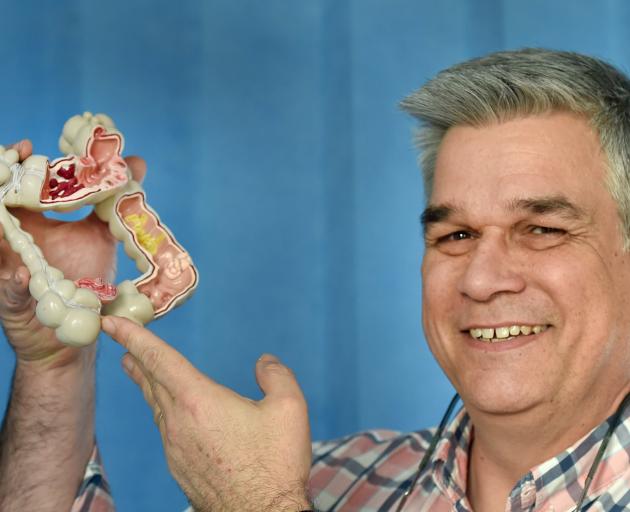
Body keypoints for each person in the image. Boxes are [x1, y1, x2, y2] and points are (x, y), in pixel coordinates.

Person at [2, 47, 630, 511]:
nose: (482, 279)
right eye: (456, 236)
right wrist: (54, 364)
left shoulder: (262, 489)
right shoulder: (328, 479)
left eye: (543, 230)